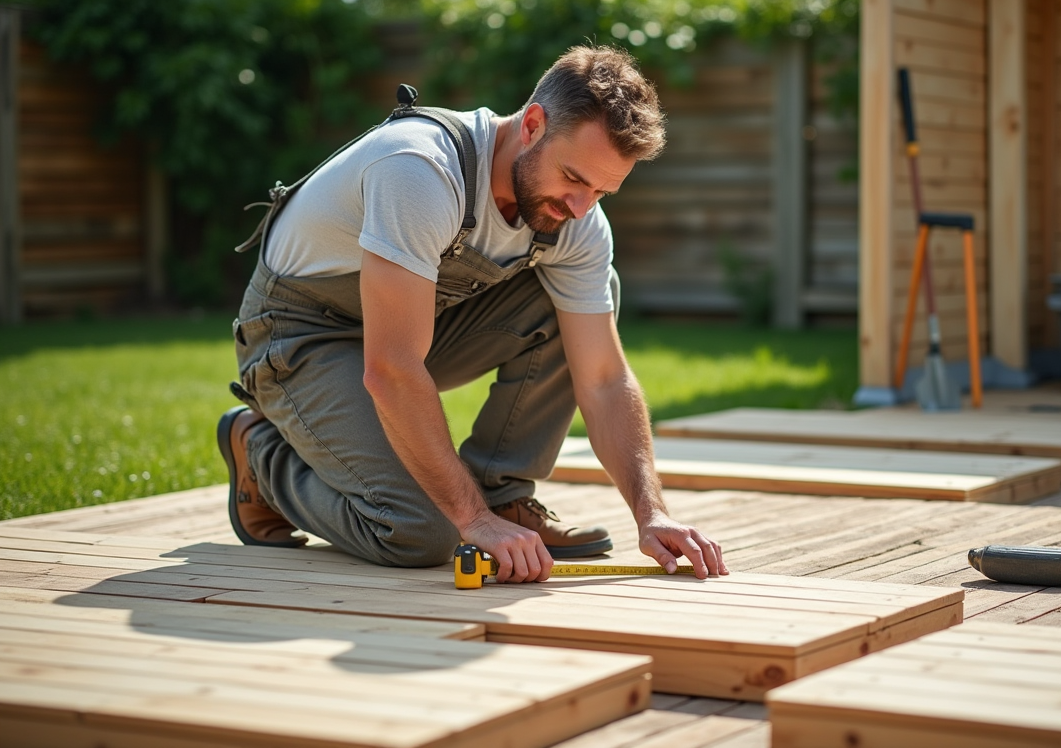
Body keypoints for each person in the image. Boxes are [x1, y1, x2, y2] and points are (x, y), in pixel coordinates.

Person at [217, 45, 728, 583]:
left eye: (602, 192)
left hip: (410, 332)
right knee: (420, 531)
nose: (581, 208)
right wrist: (470, 520)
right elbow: (391, 367)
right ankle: (261, 456)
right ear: (532, 124)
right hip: (301, 336)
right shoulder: (421, 170)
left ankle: (502, 495)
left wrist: (652, 513)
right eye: (574, 179)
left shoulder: (578, 220)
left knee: (575, 296)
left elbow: (602, 378)